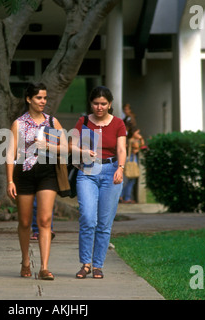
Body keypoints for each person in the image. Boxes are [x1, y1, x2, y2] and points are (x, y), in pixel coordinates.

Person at [6, 82, 67, 280]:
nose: (43, 101)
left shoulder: (52, 122)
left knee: (44, 220)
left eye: (45, 98)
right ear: (28, 99)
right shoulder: (19, 123)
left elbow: (65, 148)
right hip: (23, 174)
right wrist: (9, 181)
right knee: (24, 222)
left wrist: (48, 145)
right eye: (39, 98)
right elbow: (10, 153)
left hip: (47, 175)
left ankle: (44, 267)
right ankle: (25, 261)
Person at [71, 86, 126, 279]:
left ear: (110, 104)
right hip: (87, 170)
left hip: (111, 171)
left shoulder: (118, 123)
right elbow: (72, 146)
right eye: (96, 103)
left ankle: (98, 265)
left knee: (104, 223)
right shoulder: (83, 121)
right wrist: (82, 152)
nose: (99, 107)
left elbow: (121, 149)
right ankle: (85, 264)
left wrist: (120, 168)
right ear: (91, 103)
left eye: (103, 103)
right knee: (87, 218)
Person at [120, 131, 144, 204]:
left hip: (127, 160)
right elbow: (140, 146)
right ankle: (126, 197)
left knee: (126, 181)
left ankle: (121, 197)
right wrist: (141, 138)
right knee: (129, 181)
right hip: (131, 161)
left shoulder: (127, 141)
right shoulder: (132, 141)